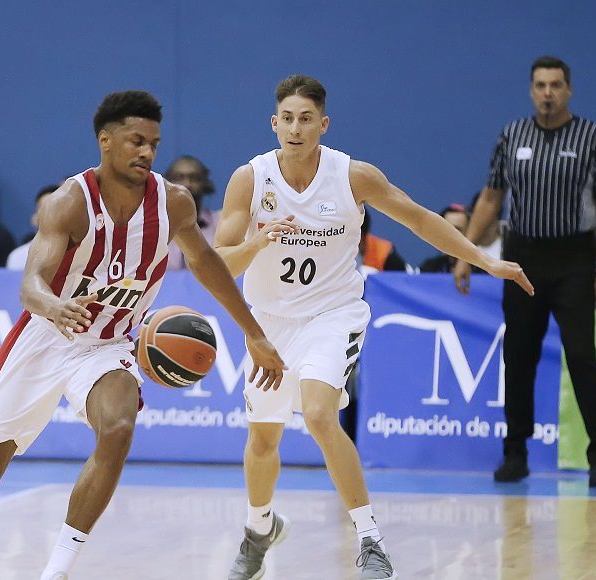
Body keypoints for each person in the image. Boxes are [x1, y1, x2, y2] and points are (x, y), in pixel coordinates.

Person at [0, 91, 285, 580]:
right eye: (136, 140)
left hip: (108, 345)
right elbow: (30, 284)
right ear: (106, 140)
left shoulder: (173, 203)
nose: (147, 151)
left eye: (153, 143)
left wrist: (254, 334)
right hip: (44, 338)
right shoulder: (70, 202)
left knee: (118, 427)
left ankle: (57, 570)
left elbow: (208, 266)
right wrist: (54, 306)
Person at [214, 75, 532, 580]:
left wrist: (484, 260)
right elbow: (219, 264)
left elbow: (419, 219)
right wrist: (257, 243)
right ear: (274, 123)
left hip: (332, 314)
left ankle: (370, 540)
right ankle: (258, 531)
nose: (296, 129)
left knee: (319, 415)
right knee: (263, 440)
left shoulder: (352, 176)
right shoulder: (250, 180)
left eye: (306, 119)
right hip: (269, 322)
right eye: (287, 119)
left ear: (323, 124)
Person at [453, 56, 596, 488]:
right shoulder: (511, 135)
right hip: (523, 256)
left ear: (569, 90)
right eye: (541, 85)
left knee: (581, 355)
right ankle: (516, 452)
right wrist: (466, 253)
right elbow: (491, 198)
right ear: (531, 90)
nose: (548, 93)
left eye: (556, 85)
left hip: (573, 259)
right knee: (519, 355)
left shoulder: (594, 137)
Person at [164, 155, 221, 269]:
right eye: (179, 178)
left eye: (194, 178)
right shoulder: (154, 225)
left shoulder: (220, 223)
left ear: (205, 183)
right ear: (166, 184)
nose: (187, 184)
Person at [6, 184, 60, 270]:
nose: (49, 214)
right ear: (34, 219)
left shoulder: (79, 255)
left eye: (55, 208)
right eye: (43, 208)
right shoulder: (17, 257)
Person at [419, 204, 470, 272]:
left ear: (469, 233)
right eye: (446, 229)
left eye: (457, 230)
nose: (451, 235)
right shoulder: (429, 268)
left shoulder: (482, 269)